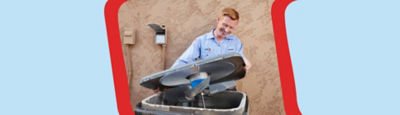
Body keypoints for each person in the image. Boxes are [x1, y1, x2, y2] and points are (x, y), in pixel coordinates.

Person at [171, 8, 251, 71]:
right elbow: (183, 62)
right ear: (218, 20)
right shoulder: (201, 41)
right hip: (208, 88)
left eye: (231, 27)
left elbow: (241, 62)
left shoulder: (236, 42)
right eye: (225, 25)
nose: (226, 30)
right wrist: (165, 79)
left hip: (229, 88)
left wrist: (245, 65)